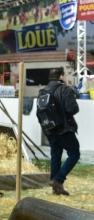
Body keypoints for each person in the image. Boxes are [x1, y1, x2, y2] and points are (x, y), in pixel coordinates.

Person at [40, 67, 80, 195]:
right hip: (64, 129)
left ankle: (55, 189)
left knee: (55, 157)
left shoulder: (43, 91)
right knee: (74, 154)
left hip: (50, 129)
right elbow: (72, 109)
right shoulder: (65, 89)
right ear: (61, 77)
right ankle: (58, 180)